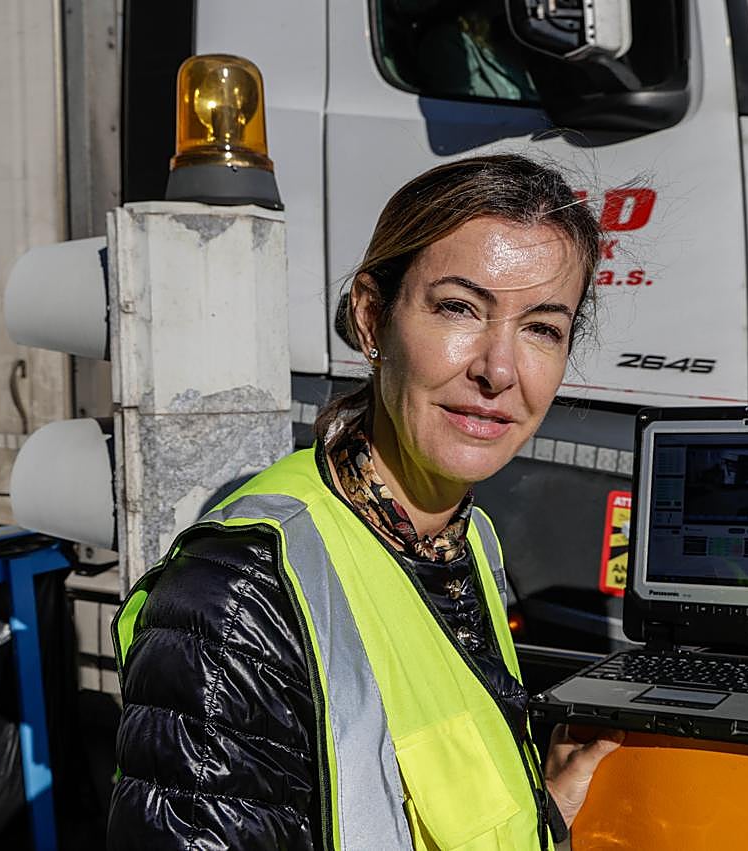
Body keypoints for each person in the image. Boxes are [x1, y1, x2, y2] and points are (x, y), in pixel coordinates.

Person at [107, 154, 622, 850]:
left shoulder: (466, 539)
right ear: (373, 318)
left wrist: (543, 811)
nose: (499, 370)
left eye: (542, 328)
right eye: (459, 308)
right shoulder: (237, 600)